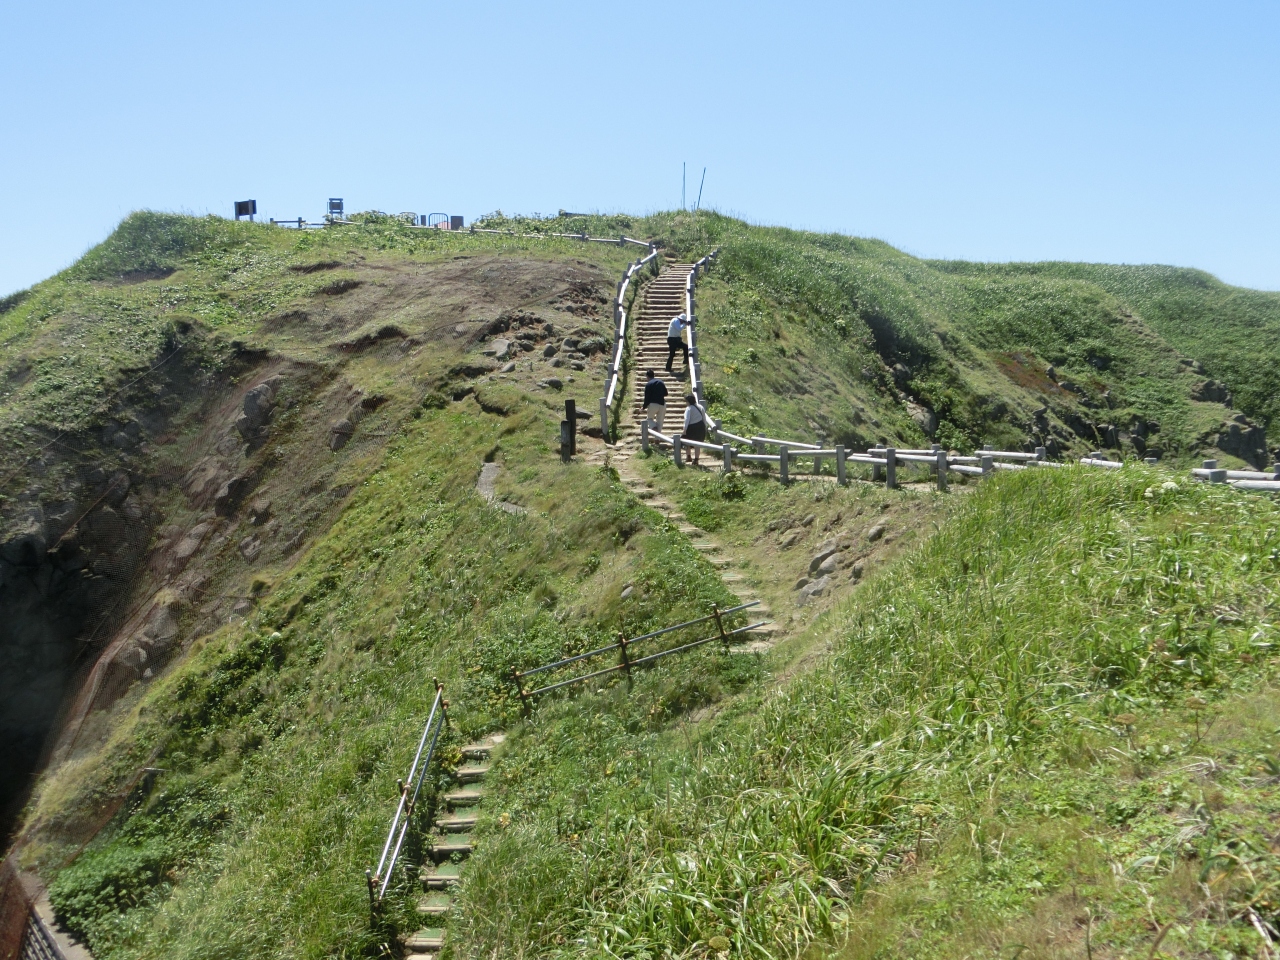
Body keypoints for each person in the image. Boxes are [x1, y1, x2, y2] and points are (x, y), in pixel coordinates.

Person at [681, 394, 707, 464]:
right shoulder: (700, 407)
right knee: (697, 444)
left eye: (686, 401)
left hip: (691, 427)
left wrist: (684, 429)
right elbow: (704, 418)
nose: (686, 403)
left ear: (688, 401)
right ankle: (696, 459)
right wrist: (705, 427)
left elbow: (687, 419)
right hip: (700, 426)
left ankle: (688, 456)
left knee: (686, 442)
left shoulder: (689, 408)